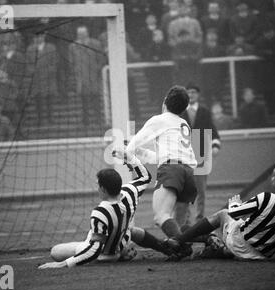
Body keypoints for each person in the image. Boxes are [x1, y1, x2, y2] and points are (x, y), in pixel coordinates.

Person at [38, 149, 172, 269]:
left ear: (103, 189)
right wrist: (129, 158)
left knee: (55, 251)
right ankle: (166, 247)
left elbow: (94, 250)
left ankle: (120, 255)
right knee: (132, 230)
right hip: (122, 241)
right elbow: (145, 177)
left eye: (98, 185)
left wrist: (62, 264)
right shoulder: (129, 192)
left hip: (106, 254)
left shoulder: (100, 212)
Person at [166, 171, 275, 261]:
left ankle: (181, 239)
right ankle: (215, 244)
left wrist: (235, 203)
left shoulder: (268, 197)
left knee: (223, 214)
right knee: (236, 228)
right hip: (259, 257)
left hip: (238, 242)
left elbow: (235, 212)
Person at [125, 86, 198, 259]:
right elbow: (161, 156)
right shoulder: (183, 123)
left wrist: (127, 155)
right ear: (184, 107)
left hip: (172, 170)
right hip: (188, 172)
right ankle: (200, 242)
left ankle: (194, 244)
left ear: (165, 101)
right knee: (178, 227)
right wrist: (140, 154)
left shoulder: (160, 119)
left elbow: (133, 145)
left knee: (161, 216)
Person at [178, 85, 221, 226]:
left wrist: (215, 145)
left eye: (193, 92)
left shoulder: (204, 112)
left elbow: (212, 129)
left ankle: (199, 218)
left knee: (200, 189)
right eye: (188, 92)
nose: (191, 95)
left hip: (201, 151)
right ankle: (186, 220)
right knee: (186, 188)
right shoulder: (179, 112)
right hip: (185, 153)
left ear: (198, 95)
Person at [69, 26, 105, 127]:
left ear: (87, 33)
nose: (81, 35)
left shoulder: (96, 44)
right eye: (79, 34)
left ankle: (98, 121)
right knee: (84, 102)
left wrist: (96, 69)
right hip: (81, 79)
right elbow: (71, 62)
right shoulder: (73, 46)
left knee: (96, 100)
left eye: (83, 33)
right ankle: (85, 122)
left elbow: (101, 59)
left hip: (94, 77)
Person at [25, 32, 58, 126]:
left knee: (49, 100)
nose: (37, 38)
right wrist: (33, 72)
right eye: (36, 36)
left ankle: (50, 118)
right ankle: (39, 120)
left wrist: (48, 72)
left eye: (39, 36)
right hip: (37, 81)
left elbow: (54, 62)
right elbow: (28, 64)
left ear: (43, 36)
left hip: (48, 80)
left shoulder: (51, 48)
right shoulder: (30, 49)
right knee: (38, 101)